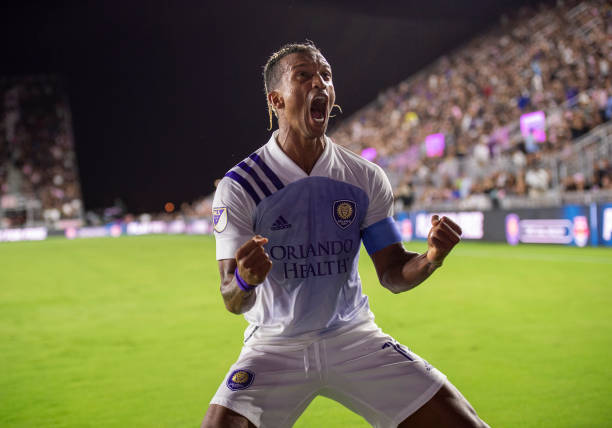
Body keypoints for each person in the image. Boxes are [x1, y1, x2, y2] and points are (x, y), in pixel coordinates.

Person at [202, 42, 488, 428]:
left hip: (355, 339)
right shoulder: (241, 186)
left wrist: (430, 259)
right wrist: (244, 279)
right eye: (304, 76)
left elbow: (392, 273)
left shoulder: (363, 176)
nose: (319, 83)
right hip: (274, 346)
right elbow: (231, 297)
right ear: (276, 100)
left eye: (326, 76)